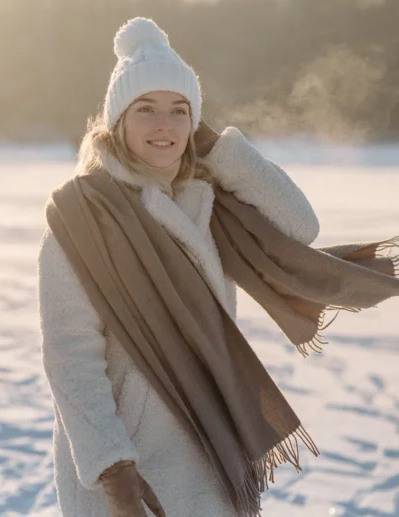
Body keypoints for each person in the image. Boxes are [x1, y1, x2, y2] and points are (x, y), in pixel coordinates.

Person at [37, 17, 322, 517]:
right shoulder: (81, 217)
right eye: (145, 109)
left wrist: (214, 145)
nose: (163, 124)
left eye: (178, 111)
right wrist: (114, 468)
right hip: (131, 469)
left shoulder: (207, 201)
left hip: (210, 447)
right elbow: (71, 357)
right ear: (117, 120)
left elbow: (300, 226)